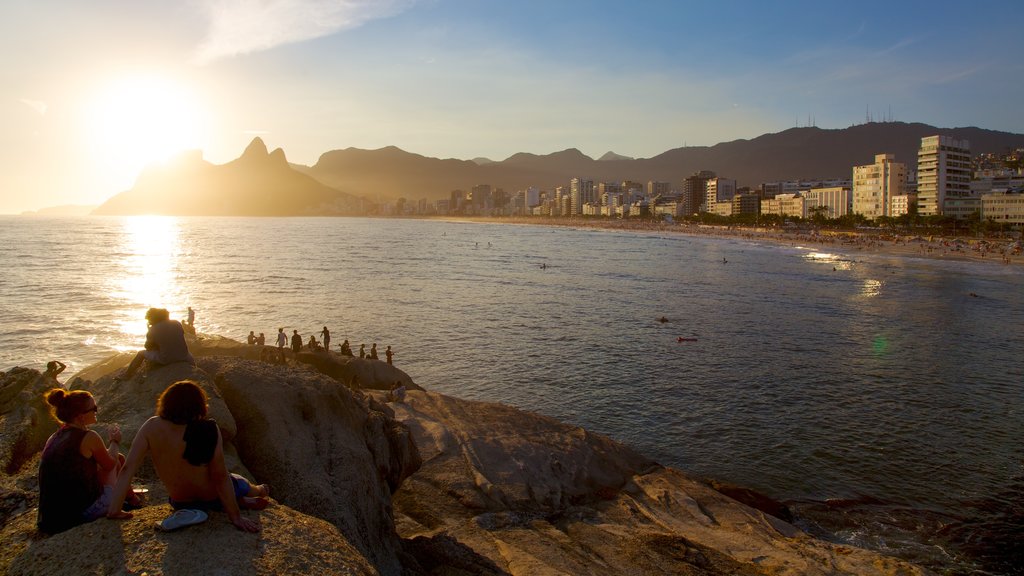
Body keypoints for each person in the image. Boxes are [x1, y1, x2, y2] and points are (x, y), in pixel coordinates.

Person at [107, 381, 266, 532]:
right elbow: (220, 476)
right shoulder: (209, 429)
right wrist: (236, 517)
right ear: (199, 406)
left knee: (227, 486)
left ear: (166, 402)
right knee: (240, 482)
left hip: (180, 501)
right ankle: (259, 490)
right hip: (212, 497)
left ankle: (195, 512)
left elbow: (127, 468)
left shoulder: (151, 427)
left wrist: (115, 509)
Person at [37, 388, 134, 534]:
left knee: (117, 458)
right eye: (93, 408)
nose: (96, 410)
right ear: (80, 416)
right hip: (79, 516)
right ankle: (127, 503)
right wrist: (114, 441)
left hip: (49, 518)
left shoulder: (55, 437)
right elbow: (110, 465)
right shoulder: (89, 437)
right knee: (117, 460)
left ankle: (132, 499)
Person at [119, 308, 195, 381]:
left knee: (141, 353)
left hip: (166, 359)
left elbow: (148, 347)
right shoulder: (176, 323)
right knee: (190, 356)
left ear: (153, 319)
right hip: (184, 356)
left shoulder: (153, 329)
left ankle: (127, 375)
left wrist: (149, 331)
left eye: (149, 319)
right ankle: (194, 371)